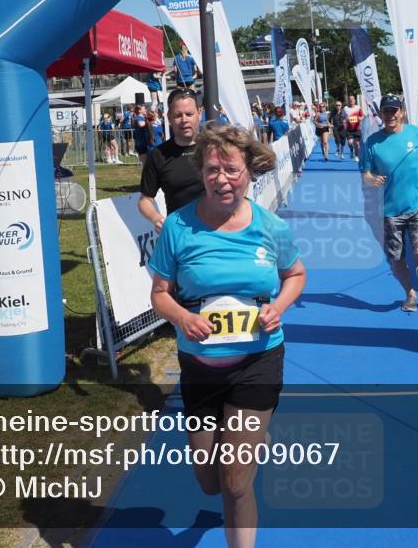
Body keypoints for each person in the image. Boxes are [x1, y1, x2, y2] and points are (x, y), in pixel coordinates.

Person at [149, 124, 306, 548]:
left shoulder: (270, 227)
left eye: (232, 170)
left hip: (258, 361)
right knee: (209, 479)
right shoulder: (178, 228)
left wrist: (277, 307)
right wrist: (182, 317)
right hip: (200, 366)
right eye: (213, 169)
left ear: (249, 173)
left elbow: (295, 275)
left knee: (236, 483)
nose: (222, 178)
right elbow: (159, 295)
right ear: (201, 173)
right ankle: (251, 439)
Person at [362, 94, 418, 312]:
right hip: (390, 210)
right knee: (396, 258)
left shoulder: (415, 132)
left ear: (402, 113)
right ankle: (409, 294)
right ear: (381, 114)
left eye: (394, 110)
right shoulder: (372, 142)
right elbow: (365, 173)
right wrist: (371, 179)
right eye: (386, 111)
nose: (390, 115)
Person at [139, 88, 205, 232]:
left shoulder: (215, 148)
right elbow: (145, 200)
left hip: (216, 232)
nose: (184, 120)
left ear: (199, 113)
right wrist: (156, 218)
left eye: (189, 114)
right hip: (180, 235)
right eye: (178, 115)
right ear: (169, 117)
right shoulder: (158, 155)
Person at [344, 95, 363, 162]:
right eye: (350, 99)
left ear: (355, 100)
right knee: (350, 143)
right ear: (348, 101)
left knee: (357, 144)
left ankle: (357, 156)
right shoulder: (345, 108)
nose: (351, 100)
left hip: (357, 128)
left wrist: (360, 118)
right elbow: (343, 117)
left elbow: (362, 116)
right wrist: (345, 120)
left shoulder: (358, 108)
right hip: (349, 129)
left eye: (352, 99)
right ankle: (351, 151)